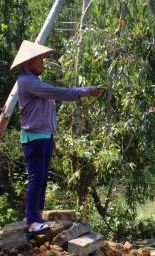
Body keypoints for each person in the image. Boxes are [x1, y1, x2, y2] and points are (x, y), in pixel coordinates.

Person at [10, 40, 104, 233]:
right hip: (34, 137)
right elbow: (56, 92)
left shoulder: (33, 80)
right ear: (29, 63)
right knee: (36, 177)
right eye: (40, 60)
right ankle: (32, 221)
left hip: (44, 135)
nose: (43, 63)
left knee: (42, 177)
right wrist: (85, 91)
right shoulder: (27, 81)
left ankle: (37, 215)